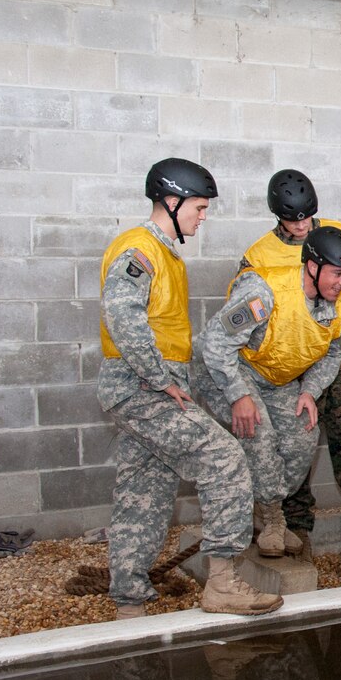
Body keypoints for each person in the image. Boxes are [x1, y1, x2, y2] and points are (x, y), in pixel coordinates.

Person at [98, 158, 282, 619]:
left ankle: (129, 600)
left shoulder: (165, 255)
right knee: (224, 458)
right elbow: (124, 319)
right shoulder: (139, 251)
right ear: (171, 201)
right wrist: (161, 380)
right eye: (199, 208)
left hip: (151, 385)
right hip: (142, 385)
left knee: (144, 489)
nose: (203, 217)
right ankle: (222, 584)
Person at [240, 169, 341, 564]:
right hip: (288, 367)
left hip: (333, 356)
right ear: (279, 217)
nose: (303, 225)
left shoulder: (340, 234)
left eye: (309, 216)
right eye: (295, 220)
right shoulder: (258, 256)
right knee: (296, 447)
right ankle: (293, 529)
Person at [192, 225, 341, 558]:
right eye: (337, 274)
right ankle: (271, 520)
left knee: (303, 436)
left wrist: (310, 390)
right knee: (259, 434)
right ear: (312, 266)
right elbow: (215, 342)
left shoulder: (338, 306)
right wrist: (238, 395)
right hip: (229, 368)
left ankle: (266, 509)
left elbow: (333, 352)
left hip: (274, 378)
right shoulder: (263, 291)